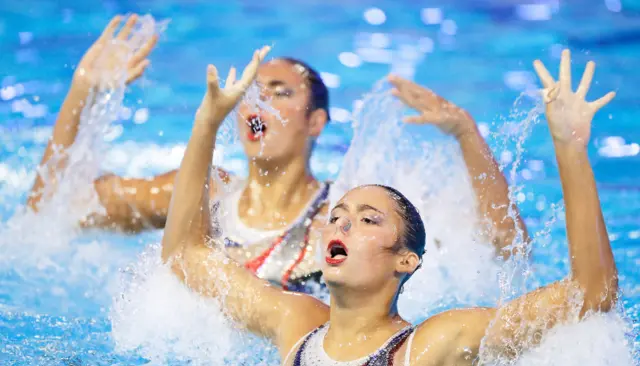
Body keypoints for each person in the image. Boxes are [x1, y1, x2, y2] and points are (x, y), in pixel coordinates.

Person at [161, 47, 618, 366]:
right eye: (336, 217)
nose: (340, 226)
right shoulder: (296, 322)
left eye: (366, 219)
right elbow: (184, 256)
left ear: (406, 259)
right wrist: (206, 123)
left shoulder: (432, 346)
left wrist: (570, 148)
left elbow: (591, 293)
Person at [27, 15, 526, 290]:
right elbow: (50, 211)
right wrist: (82, 92)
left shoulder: (347, 220)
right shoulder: (204, 192)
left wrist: (466, 134)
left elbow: (504, 248)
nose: (257, 102)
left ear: (316, 123)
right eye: (251, 92)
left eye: (280, 92)